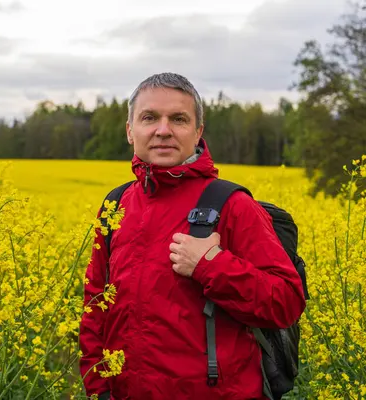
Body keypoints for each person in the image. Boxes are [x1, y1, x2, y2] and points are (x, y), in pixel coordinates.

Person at [78, 73, 306, 400]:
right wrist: (98, 388)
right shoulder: (116, 205)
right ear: (130, 131)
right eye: (149, 117)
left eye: (179, 119)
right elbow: (95, 303)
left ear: (198, 132)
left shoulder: (232, 205)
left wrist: (211, 265)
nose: (163, 130)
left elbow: (286, 303)